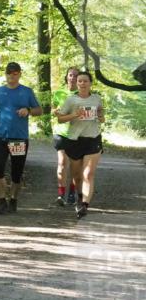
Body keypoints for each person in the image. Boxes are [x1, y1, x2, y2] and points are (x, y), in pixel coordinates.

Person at [0, 62, 43, 214]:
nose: (12, 75)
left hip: (18, 138)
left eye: (15, 73)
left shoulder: (26, 92)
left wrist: (28, 110)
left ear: (19, 74)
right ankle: (1, 201)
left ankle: (13, 200)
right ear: (6, 74)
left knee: (16, 173)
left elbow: (39, 110)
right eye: (9, 73)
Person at [55, 71, 105, 219]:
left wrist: (101, 116)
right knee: (77, 175)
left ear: (90, 83)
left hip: (93, 139)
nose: (82, 83)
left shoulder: (97, 99)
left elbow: (101, 118)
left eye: (85, 81)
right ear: (77, 83)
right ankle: (79, 196)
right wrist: (74, 115)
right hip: (74, 140)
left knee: (88, 174)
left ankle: (84, 205)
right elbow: (60, 119)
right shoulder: (71, 100)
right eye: (80, 81)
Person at [52, 67, 80, 205]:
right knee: (62, 163)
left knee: (75, 167)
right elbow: (53, 109)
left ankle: (72, 193)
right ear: (66, 77)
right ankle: (61, 194)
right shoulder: (59, 93)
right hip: (61, 133)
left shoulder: (84, 94)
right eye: (70, 75)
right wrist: (55, 111)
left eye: (76, 75)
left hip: (78, 134)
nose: (73, 78)